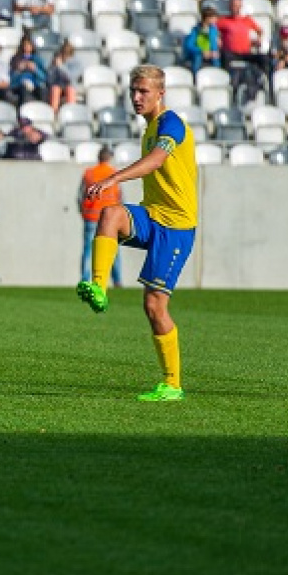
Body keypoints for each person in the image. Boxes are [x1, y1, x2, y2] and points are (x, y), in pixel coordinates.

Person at [77, 64, 197, 402]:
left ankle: (172, 384)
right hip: (152, 215)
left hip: (176, 227)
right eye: (133, 90)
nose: (136, 97)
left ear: (161, 93)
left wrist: (114, 178)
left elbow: (158, 160)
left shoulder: (171, 124)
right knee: (111, 213)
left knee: (154, 306)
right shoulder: (148, 129)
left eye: (143, 91)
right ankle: (98, 287)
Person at [79, 147, 122, 287]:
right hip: (110, 220)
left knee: (88, 250)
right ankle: (117, 280)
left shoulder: (89, 173)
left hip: (91, 217)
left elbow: (80, 195)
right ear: (109, 158)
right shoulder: (114, 173)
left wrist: (83, 212)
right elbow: (120, 197)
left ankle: (85, 280)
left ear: (98, 157)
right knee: (112, 250)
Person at [216, 0, 273, 98]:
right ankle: (229, 85)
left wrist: (257, 40)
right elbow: (213, 31)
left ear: (241, 6)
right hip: (231, 53)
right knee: (224, 56)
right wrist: (218, 40)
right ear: (230, 7)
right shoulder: (223, 21)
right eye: (234, 6)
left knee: (264, 58)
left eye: (238, 6)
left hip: (246, 52)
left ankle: (267, 84)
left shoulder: (247, 20)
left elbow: (260, 31)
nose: (236, 8)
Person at [9, 35, 49, 103]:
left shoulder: (38, 59)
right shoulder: (15, 59)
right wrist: (18, 70)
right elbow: (10, 79)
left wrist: (35, 69)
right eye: (24, 45)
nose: (26, 47)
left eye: (28, 45)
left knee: (43, 91)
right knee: (25, 91)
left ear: (32, 46)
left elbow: (44, 77)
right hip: (20, 85)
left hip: (35, 84)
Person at [182, 6, 220, 74]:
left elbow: (214, 45)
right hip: (198, 53)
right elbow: (189, 45)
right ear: (207, 18)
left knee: (216, 58)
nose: (215, 20)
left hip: (210, 53)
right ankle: (196, 77)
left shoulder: (213, 30)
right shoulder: (195, 30)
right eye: (213, 18)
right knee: (198, 58)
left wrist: (212, 52)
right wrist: (202, 51)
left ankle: (217, 75)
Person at [47, 40, 79, 111]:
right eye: (63, 53)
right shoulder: (55, 61)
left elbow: (71, 78)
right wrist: (53, 67)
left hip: (70, 85)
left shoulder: (76, 63)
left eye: (67, 53)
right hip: (58, 85)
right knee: (55, 89)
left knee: (70, 90)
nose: (64, 55)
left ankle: (72, 111)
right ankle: (54, 113)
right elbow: (49, 79)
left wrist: (61, 67)